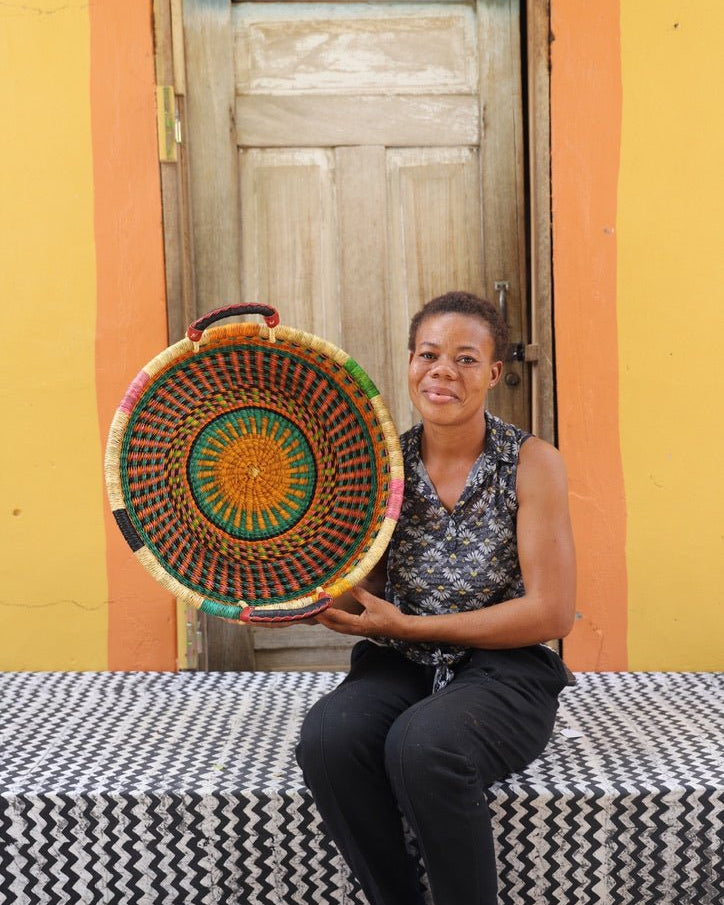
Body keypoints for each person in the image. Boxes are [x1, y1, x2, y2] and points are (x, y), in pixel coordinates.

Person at [295, 291, 576, 905]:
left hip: (506, 670)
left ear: (496, 373)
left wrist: (416, 627)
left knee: (424, 746)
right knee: (327, 739)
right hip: (400, 663)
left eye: (466, 358)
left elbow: (551, 612)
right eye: (428, 354)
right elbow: (362, 582)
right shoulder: (380, 466)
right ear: (409, 363)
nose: (443, 370)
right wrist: (308, 599)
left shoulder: (532, 463)